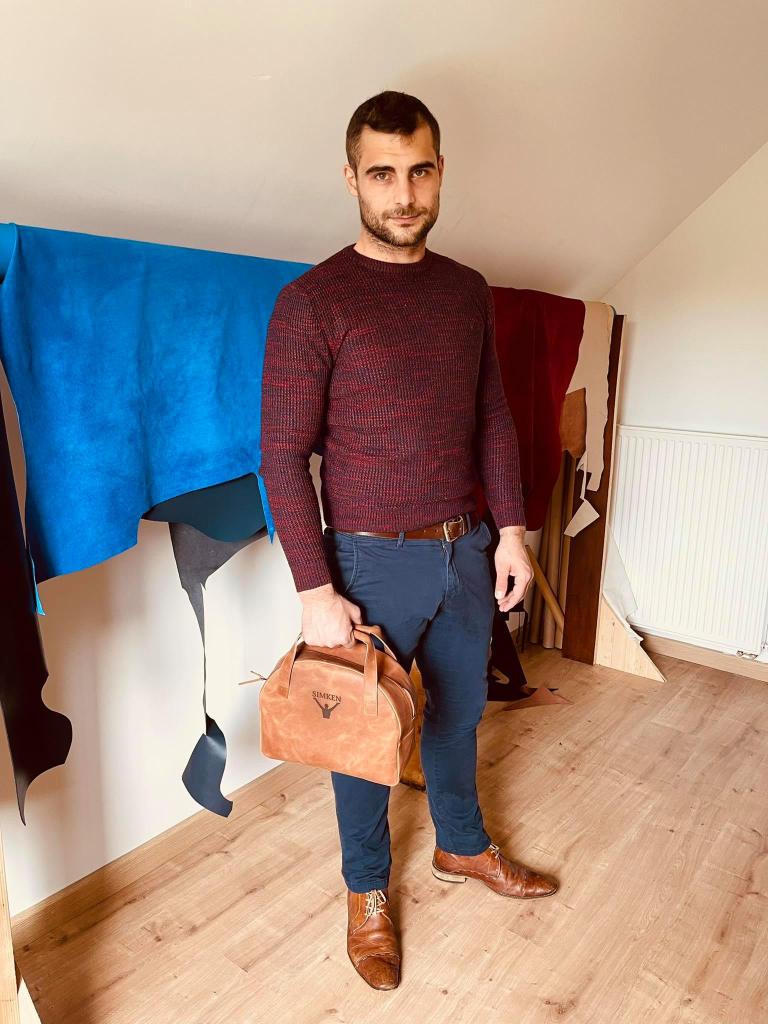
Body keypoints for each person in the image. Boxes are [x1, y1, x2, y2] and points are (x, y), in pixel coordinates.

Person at [258, 90, 558, 991]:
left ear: (440, 172)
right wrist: (315, 590)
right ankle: (366, 893)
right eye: (382, 174)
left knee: (460, 714)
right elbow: (281, 457)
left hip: (467, 550)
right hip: (366, 560)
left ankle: (461, 845)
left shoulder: (466, 291)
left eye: (419, 171)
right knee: (362, 739)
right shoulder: (312, 302)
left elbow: (494, 418)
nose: (404, 193)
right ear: (351, 179)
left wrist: (513, 534)